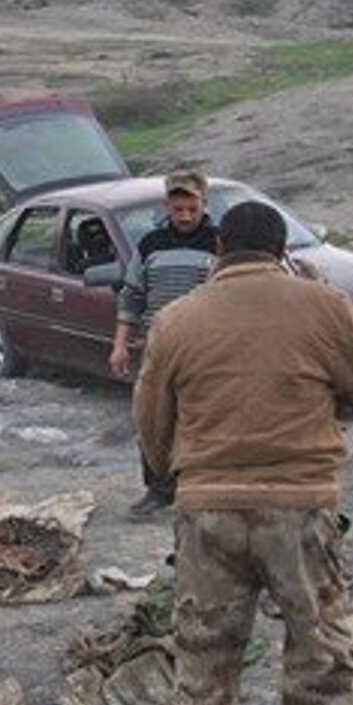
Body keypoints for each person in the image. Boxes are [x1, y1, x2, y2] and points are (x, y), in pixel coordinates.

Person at [131, 200, 353, 705]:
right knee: (319, 653)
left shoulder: (176, 319)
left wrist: (176, 474)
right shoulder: (322, 305)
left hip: (208, 513)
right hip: (299, 510)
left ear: (218, 248)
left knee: (205, 660)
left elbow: (149, 419)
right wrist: (325, 301)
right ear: (282, 251)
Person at [109, 169, 218, 519]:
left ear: (205, 203)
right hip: (156, 346)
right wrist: (120, 345)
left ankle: (202, 490)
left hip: (205, 349)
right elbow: (132, 295)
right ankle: (158, 489)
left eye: (192, 208)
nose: (185, 216)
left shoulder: (220, 243)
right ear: (167, 206)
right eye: (178, 209)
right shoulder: (150, 245)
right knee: (152, 417)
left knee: (203, 420)